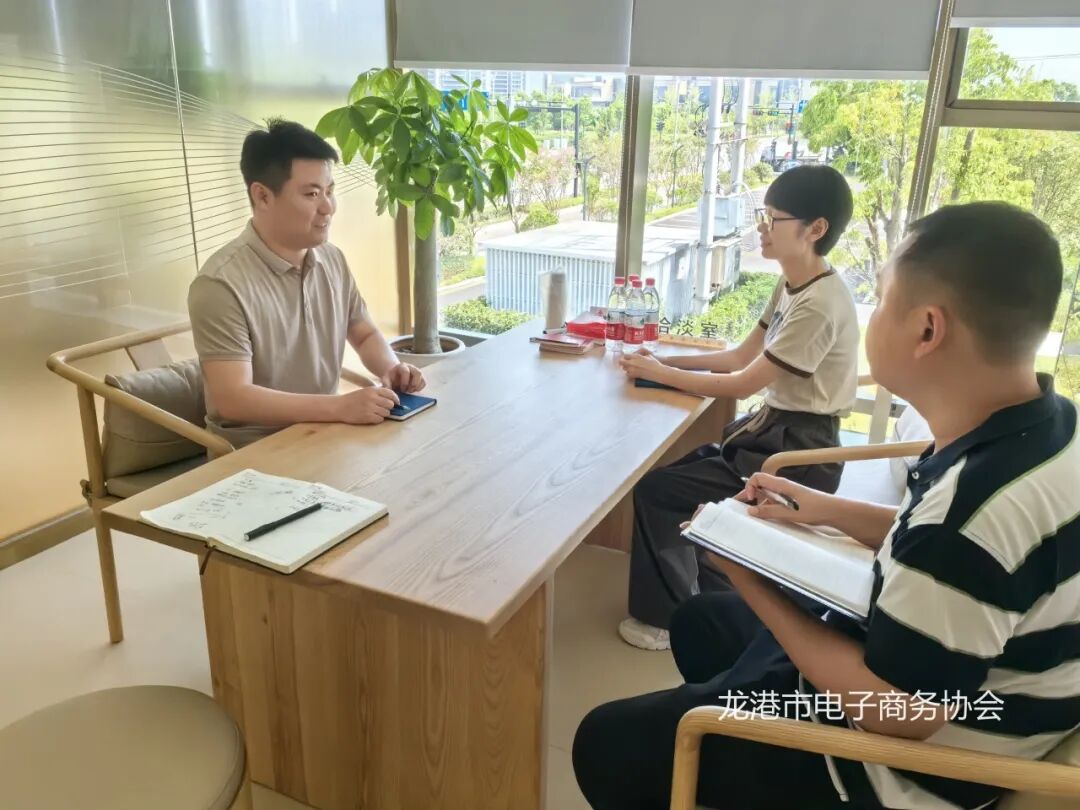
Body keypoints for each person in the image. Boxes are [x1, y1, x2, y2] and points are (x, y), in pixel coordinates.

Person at [574, 202, 1076, 810]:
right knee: (701, 621)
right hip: (928, 668)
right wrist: (822, 509)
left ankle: (724, 739)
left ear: (927, 330)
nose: (870, 318)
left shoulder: (971, 512)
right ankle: (725, 724)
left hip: (887, 769)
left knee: (605, 743)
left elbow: (900, 716)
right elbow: (966, 561)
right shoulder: (1046, 431)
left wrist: (748, 573)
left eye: (882, 300)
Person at [616, 164, 857, 650]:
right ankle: (704, 601)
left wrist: (659, 372)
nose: (761, 229)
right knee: (674, 477)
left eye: (773, 219)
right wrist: (660, 359)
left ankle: (667, 620)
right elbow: (738, 356)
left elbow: (742, 381)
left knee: (659, 490)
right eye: (762, 216)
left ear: (815, 229)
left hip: (799, 453)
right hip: (774, 433)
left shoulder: (819, 303)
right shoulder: (793, 283)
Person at [187, 119, 424, 449]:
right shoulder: (219, 285)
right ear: (262, 196)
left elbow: (364, 333)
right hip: (253, 451)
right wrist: (339, 407)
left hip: (325, 434)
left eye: (330, 191)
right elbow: (234, 399)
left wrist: (391, 368)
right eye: (312, 194)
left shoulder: (332, 259)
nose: (328, 207)